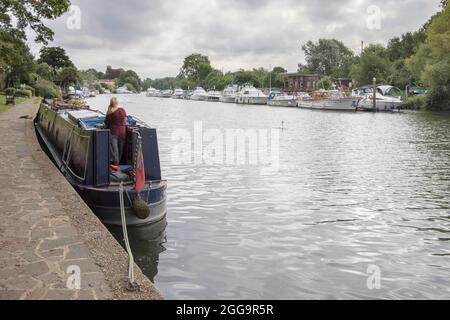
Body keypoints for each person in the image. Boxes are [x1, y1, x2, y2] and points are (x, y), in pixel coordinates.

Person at [104, 97, 127, 165]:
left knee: (115, 150)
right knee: (120, 149)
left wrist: (108, 112)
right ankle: (118, 163)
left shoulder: (110, 112)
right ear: (117, 103)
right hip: (123, 132)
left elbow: (105, 124)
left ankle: (116, 165)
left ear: (110, 103)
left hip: (114, 132)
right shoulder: (122, 110)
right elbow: (125, 121)